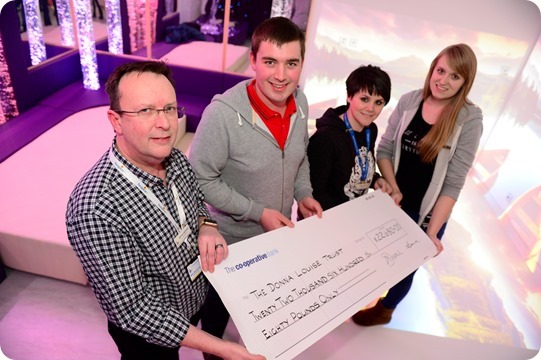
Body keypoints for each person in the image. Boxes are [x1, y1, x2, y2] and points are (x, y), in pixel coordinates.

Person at [65, 60, 265, 360]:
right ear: (116, 120)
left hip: (195, 296)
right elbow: (135, 309)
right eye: (146, 111)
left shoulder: (176, 159)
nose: (165, 123)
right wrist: (221, 348)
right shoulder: (95, 208)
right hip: (148, 337)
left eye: (169, 108)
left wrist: (207, 226)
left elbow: (196, 202)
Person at [189, 16, 323, 351]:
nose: (281, 76)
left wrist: (302, 193)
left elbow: (299, 156)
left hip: (276, 238)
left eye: (291, 64)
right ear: (252, 61)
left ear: (301, 64)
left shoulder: (302, 103)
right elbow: (199, 178)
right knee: (216, 322)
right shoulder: (221, 114)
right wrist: (255, 211)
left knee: (262, 318)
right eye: (270, 62)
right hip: (228, 245)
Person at [351, 43, 483, 326]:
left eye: (454, 76)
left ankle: (385, 309)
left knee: (405, 269)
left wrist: (432, 233)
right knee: (375, 258)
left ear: (465, 82)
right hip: (392, 202)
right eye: (441, 70)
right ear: (433, 68)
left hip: (426, 213)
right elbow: (384, 149)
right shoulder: (410, 100)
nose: (443, 81)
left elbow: (453, 182)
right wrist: (392, 187)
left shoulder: (469, 119)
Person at [306, 65, 392, 212]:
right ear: (349, 96)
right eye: (365, 99)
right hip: (325, 221)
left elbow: (356, 165)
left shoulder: (371, 129)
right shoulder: (325, 137)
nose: (371, 109)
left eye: (378, 102)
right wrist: (346, 217)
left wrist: (376, 180)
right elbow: (314, 193)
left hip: (354, 216)